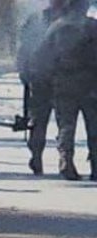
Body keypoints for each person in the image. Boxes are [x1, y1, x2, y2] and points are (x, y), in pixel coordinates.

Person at [37, 0, 97, 180]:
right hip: (90, 85)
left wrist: (46, 80)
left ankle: (66, 161)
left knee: (66, 126)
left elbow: (43, 56)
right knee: (94, 127)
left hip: (64, 84)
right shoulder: (93, 27)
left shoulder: (56, 27)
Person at [17, 0, 66, 175]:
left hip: (48, 77)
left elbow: (24, 49)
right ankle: (47, 157)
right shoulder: (69, 20)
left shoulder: (37, 20)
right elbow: (25, 48)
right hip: (51, 78)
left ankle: (43, 156)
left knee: (44, 121)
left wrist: (24, 70)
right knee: (55, 121)